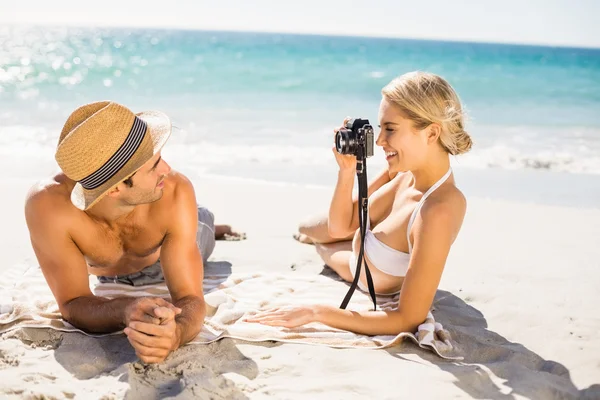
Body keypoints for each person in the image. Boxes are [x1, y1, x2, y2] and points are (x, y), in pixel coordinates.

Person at [247, 71, 472, 335]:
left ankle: (316, 243)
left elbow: (407, 319)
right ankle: (310, 236)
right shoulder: (402, 174)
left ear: (432, 133)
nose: (379, 141)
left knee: (321, 243)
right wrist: (347, 171)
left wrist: (315, 312)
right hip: (357, 239)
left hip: (361, 268)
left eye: (390, 129)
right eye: (379, 128)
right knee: (307, 227)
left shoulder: (439, 209)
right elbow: (341, 226)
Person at [25, 101, 242, 363]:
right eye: (155, 165)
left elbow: (190, 298)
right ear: (114, 188)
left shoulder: (174, 189)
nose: (167, 169)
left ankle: (210, 225)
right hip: (112, 270)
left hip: (173, 247)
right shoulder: (48, 205)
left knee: (201, 221)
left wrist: (176, 334)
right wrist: (127, 310)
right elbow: (72, 304)